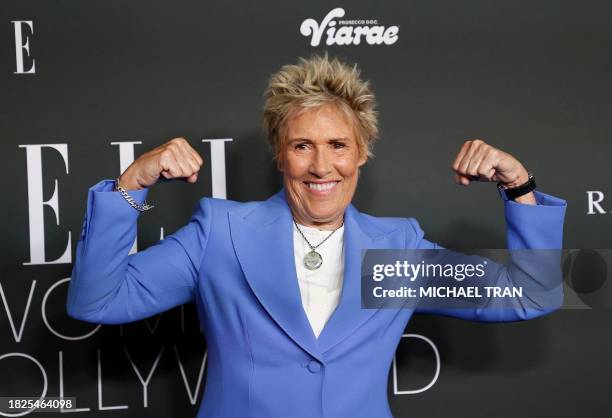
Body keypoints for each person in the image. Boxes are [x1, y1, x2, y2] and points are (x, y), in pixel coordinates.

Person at [67, 54, 567, 418]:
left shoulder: (396, 250)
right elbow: (99, 301)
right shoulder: (220, 234)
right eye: (302, 145)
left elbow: (531, 294)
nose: (322, 165)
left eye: (338, 145)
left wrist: (518, 186)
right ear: (279, 154)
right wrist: (131, 183)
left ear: (362, 153)